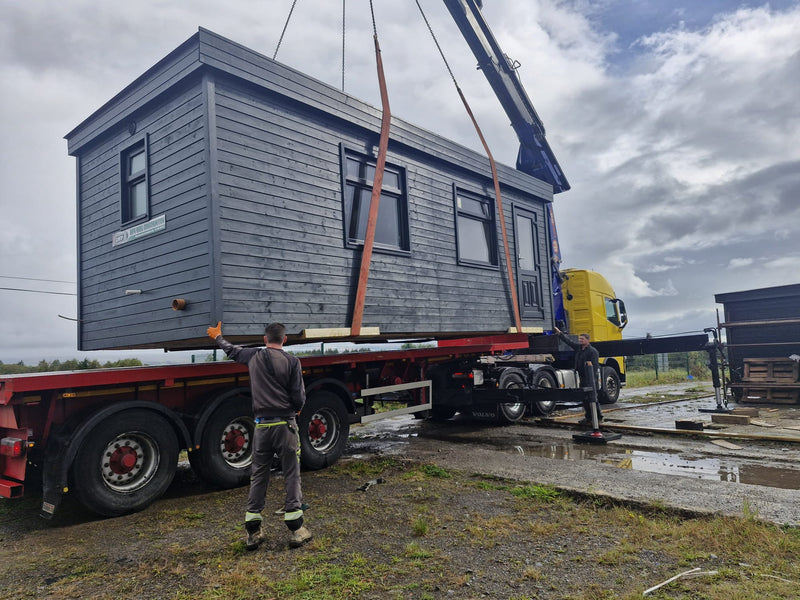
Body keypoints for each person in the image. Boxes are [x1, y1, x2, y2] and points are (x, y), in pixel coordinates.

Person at [206, 321, 312, 550]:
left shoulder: (253, 356)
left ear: (265, 339)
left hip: (262, 428)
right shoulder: (293, 362)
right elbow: (299, 397)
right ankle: (296, 528)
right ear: (285, 340)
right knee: (291, 473)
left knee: (259, 475)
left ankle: (253, 531)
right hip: (286, 426)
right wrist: (297, 409)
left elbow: (231, 351)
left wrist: (217, 336)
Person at [553, 326, 602, 425]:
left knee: (592, 398)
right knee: (584, 398)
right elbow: (569, 342)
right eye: (579, 339)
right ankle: (588, 417)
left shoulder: (593, 351)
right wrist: (559, 333)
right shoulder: (579, 348)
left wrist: (591, 376)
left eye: (582, 339)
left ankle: (598, 417)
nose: (580, 340)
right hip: (582, 377)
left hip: (591, 378)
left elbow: (594, 366)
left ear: (587, 340)